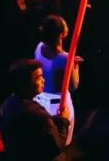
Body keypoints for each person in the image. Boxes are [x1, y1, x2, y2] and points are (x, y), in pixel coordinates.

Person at [0, 59, 70, 161]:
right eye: (38, 77)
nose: (43, 80)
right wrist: (64, 120)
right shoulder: (38, 115)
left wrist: (54, 120)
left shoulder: (7, 104)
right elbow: (57, 145)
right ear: (24, 84)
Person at [34, 15, 79, 144]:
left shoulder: (39, 47)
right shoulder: (65, 59)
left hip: (39, 100)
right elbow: (73, 86)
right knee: (61, 141)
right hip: (59, 105)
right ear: (61, 34)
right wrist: (75, 66)